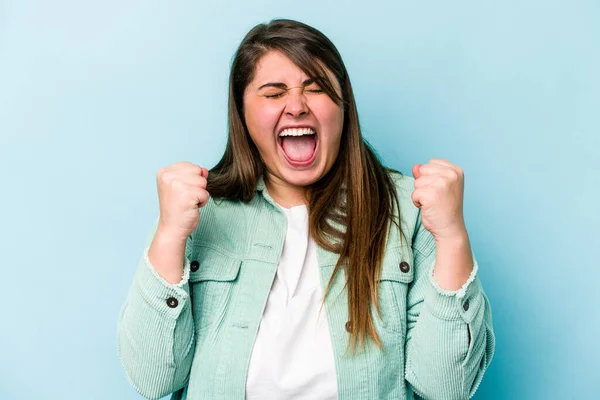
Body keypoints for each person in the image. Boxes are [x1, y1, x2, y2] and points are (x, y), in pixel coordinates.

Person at [117, 18, 495, 400]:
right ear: (242, 113)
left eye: (316, 89)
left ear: (343, 106)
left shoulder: (408, 211)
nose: (296, 106)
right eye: (273, 93)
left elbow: (447, 388)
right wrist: (168, 235)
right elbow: (153, 380)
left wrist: (452, 236)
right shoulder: (197, 213)